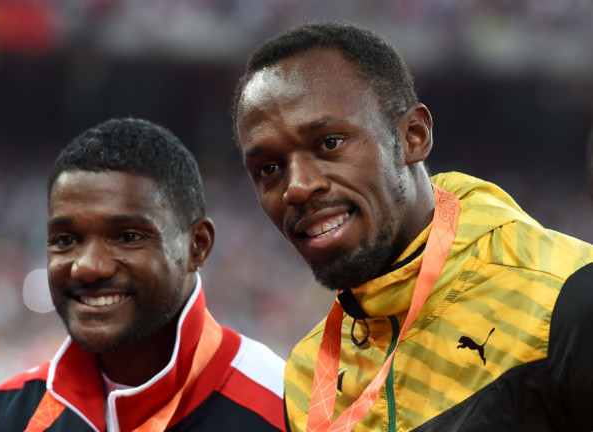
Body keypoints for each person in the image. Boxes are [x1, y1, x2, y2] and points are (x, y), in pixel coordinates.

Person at [232, 21, 593, 432]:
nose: (296, 187)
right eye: (269, 168)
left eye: (329, 143)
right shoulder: (307, 375)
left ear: (413, 136)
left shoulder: (563, 297)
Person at [0, 118, 286, 431]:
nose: (88, 266)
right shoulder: (14, 412)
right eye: (66, 240)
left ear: (197, 246)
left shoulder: (285, 410)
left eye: (128, 236)